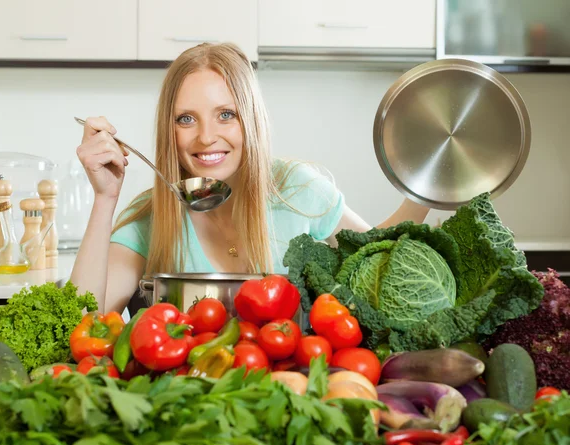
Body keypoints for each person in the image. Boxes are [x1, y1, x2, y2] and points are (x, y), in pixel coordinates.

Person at [71, 42, 429, 314]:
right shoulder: (154, 214)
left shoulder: (296, 189)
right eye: (186, 119)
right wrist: (105, 198)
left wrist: (426, 185)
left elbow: (379, 256)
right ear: (169, 130)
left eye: (226, 114)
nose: (206, 137)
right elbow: (85, 315)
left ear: (251, 120)